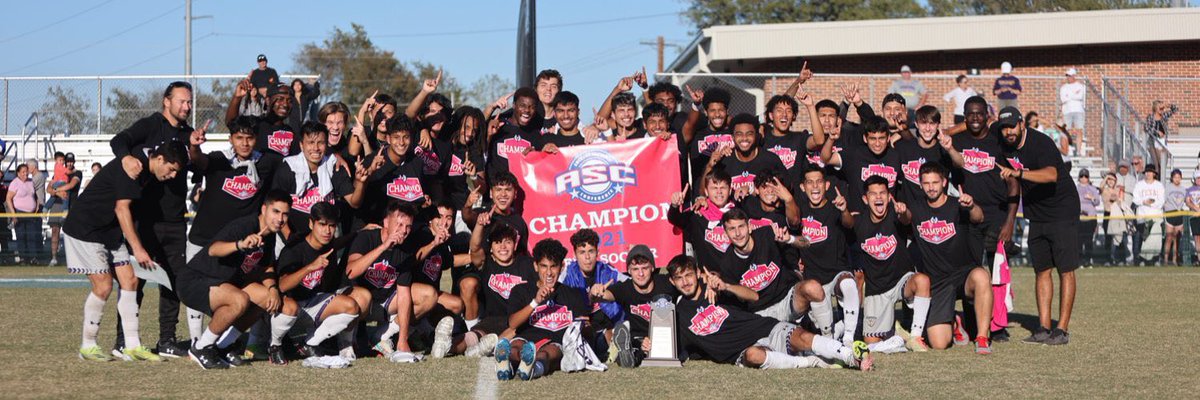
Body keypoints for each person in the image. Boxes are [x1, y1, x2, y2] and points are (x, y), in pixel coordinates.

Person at [107, 80, 209, 359]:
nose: (187, 106)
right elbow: (119, 140)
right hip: (143, 219)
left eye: (190, 102)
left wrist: (196, 148)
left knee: (175, 282)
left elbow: (200, 166)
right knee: (134, 282)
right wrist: (126, 158)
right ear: (167, 101)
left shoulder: (189, 134)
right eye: (182, 101)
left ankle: (167, 340)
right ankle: (122, 341)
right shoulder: (150, 125)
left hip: (174, 220)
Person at [65, 140, 187, 362]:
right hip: (86, 228)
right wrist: (138, 249)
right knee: (103, 285)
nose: (171, 176)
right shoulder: (133, 168)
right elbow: (121, 209)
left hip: (108, 229)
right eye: (171, 170)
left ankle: (132, 346)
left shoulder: (146, 163)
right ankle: (88, 346)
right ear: (160, 159)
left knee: (130, 280)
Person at [669, 255, 873, 370]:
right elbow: (672, 347)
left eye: (689, 275)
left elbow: (752, 296)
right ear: (672, 281)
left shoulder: (716, 291)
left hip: (761, 327)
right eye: (679, 278)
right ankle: (809, 361)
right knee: (754, 355)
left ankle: (851, 357)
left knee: (801, 336)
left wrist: (726, 287)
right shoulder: (677, 315)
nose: (685, 282)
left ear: (698, 273)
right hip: (742, 352)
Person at [175, 190, 290, 369]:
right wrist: (240, 244)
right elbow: (213, 250)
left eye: (285, 214)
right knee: (239, 299)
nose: (280, 219)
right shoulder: (244, 226)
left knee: (267, 299)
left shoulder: (270, 235)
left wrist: (273, 288)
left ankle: (223, 346)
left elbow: (266, 266)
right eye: (276, 211)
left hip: (225, 283)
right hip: (195, 280)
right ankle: (201, 347)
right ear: (264, 209)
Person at [995, 106, 1080, 346]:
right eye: (1004, 128)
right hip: (1037, 214)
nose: (1008, 131)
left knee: (1065, 269)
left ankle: (1061, 329)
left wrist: (1018, 173)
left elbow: (1052, 174)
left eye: (1012, 126)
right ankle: (1043, 327)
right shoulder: (1002, 141)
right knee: (1041, 269)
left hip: (1062, 210)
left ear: (1022, 124)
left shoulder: (1040, 142)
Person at [899, 164, 993, 353]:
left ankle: (982, 337)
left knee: (982, 276)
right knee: (939, 344)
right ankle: (955, 321)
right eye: (926, 183)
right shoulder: (917, 207)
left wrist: (972, 205)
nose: (931, 187)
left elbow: (978, 217)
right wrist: (902, 213)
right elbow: (906, 218)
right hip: (938, 282)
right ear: (920, 185)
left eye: (935, 182)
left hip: (964, 275)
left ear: (944, 182)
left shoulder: (957, 204)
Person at [274, 202, 361, 364]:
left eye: (332, 226)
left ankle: (310, 343)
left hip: (311, 304)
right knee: (290, 306)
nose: (327, 231)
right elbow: (282, 286)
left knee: (352, 306)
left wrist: (359, 232)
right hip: (284, 307)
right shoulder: (294, 248)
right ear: (310, 223)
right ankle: (274, 345)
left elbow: (338, 242)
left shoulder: (328, 245)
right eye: (322, 224)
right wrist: (310, 267)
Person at [495, 238, 591, 381]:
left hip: (555, 342)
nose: (549, 273)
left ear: (562, 266)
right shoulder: (521, 290)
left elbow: (585, 327)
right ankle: (506, 366)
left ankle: (533, 370)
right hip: (527, 338)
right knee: (515, 347)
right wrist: (535, 302)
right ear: (535, 266)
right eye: (544, 266)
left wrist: (584, 326)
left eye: (553, 266)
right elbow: (513, 324)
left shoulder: (573, 294)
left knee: (546, 354)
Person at [794, 166, 860, 346]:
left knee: (848, 283)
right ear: (802, 187)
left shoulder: (835, 207)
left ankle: (848, 337)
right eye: (809, 182)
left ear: (827, 185)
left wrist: (844, 210)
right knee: (825, 334)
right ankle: (832, 336)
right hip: (814, 279)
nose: (815, 186)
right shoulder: (798, 211)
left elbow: (849, 224)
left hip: (836, 272)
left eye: (819, 181)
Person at [587, 245, 677, 368]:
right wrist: (594, 292)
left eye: (645, 268)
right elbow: (599, 297)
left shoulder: (666, 282)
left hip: (665, 336)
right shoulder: (624, 288)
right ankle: (626, 354)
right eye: (635, 269)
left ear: (652, 267)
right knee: (635, 346)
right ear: (629, 271)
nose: (640, 273)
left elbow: (688, 282)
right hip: (638, 338)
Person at [558, 229, 626, 355]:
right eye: (582, 252)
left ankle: (617, 344)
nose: (587, 257)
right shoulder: (567, 274)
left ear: (598, 252)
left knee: (615, 331)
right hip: (581, 326)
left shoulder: (608, 271)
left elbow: (631, 285)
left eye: (591, 251)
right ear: (575, 255)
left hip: (608, 325)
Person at [703, 113, 788, 199]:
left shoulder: (770, 159)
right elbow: (704, 193)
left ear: (757, 135)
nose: (744, 138)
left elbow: (788, 188)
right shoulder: (724, 160)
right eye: (739, 134)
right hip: (731, 211)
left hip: (762, 212)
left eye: (749, 134)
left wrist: (753, 190)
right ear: (732, 137)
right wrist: (709, 166)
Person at [46, 153, 82, 267]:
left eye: (71, 161)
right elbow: (48, 188)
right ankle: (54, 258)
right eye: (68, 161)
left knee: (70, 233)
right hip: (56, 205)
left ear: (74, 161)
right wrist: (58, 193)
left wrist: (56, 191)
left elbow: (71, 185)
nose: (69, 163)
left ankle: (73, 258)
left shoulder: (77, 173)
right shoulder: (60, 171)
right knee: (55, 231)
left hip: (70, 206)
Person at [1132, 164, 1165, 266]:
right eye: (1147, 172)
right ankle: (1142, 259)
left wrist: (1151, 203)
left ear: (1154, 174)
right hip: (1142, 216)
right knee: (1144, 238)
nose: (1148, 174)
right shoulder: (1139, 185)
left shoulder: (1159, 185)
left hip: (1155, 217)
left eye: (1150, 172)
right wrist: (1144, 202)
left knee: (1155, 239)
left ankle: (1155, 259)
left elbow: (1161, 201)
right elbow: (1135, 199)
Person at [6, 164, 38, 265]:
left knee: (31, 236)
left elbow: (35, 196)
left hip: (31, 214)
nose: (25, 174)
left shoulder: (30, 182)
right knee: (21, 236)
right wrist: (13, 214)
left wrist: (36, 206)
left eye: (26, 171)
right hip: (19, 212)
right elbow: (8, 198)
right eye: (23, 172)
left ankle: (32, 258)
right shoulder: (14, 183)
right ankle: (23, 258)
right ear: (18, 173)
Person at [1059, 68, 1086, 156]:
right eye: (1067, 76)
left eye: (1069, 76)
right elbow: (1063, 99)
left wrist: (1069, 96)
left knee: (1079, 130)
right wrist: (1073, 95)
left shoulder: (1080, 86)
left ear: (1074, 76)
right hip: (1067, 111)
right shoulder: (1063, 87)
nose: (1068, 77)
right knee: (1067, 131)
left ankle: (1078, 151)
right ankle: (1069, 149)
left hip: (1078, 110)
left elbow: (1080, 96)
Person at [1077, 169, 1101, 267]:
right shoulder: (1075, 188)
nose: (1084, 178)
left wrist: (1092, 198)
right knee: (1078, 240)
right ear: (1079, 177)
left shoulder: (1092, 189)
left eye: (1086, 176)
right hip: (1079, 218)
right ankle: (1079, 261)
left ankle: (1088, 260)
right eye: (1082, 176)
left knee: (1088, 240)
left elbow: (1097, 202)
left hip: (1090, 218)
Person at [1143, 100, 1178, 168]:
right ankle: (1158, 176)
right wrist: (1157, 132)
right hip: (1153, 142)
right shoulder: (1151, 117)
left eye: (1163, 108)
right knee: (1157, 164)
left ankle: (1162, 177)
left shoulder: (1164, 116)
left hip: (1162, 141)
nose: (1162, 110)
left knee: (1164, 161)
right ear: (1155, 108)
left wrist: (1168, 105)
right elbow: (1146, 128)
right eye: (1160, 108)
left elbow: (1175, 109)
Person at [1163, 169, 1187, 266]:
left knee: (1176, 238)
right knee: (1169, 237)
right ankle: (1165, 259)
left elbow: (1185, 201)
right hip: (1170, 213)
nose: (1177, 179)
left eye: (1178, 177)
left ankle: (1174, 259)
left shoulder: (1183, 189)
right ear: (1172, 178)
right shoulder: (1168, 188)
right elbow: (1164, 200)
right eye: (1175, 177)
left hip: (1179, 214)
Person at [1185, 171, 1200, 266]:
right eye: (1198, 178)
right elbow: (1187, 201)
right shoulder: (1189, 190)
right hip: (1194, 216)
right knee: (1196, 238)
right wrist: (1195, 207)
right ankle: (1198, 258)